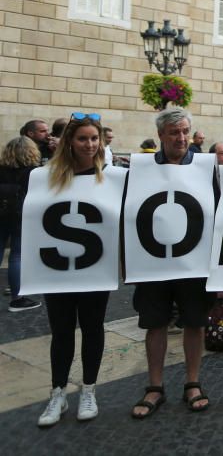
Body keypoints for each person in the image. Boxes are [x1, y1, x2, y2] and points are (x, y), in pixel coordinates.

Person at [131, 108, 215, 418]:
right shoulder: (141, 169)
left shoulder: (206, 168)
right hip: (153, 263)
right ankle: (155, 386)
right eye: (173, 132)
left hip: (194, 263)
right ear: (161, 136)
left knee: (195, 322)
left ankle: (192, 382)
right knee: (154, 324)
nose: (181, 138)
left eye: (185, 132)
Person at [35, 114, 116, 426]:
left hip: (95, 267)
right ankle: (57, 393)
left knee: (93, 328)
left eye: (94, 139)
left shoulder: (110, 177)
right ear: (70, 141)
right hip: (57, 268)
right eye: (83, 139)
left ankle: (89, 389)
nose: (90, 144)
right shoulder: (46, 176)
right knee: (62, 331)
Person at [0, 137, 42, 312]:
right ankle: (17, 299)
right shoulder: (34, 172)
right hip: (22, 215)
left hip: (1, 213)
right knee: (17, 256)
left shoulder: (1, 168)